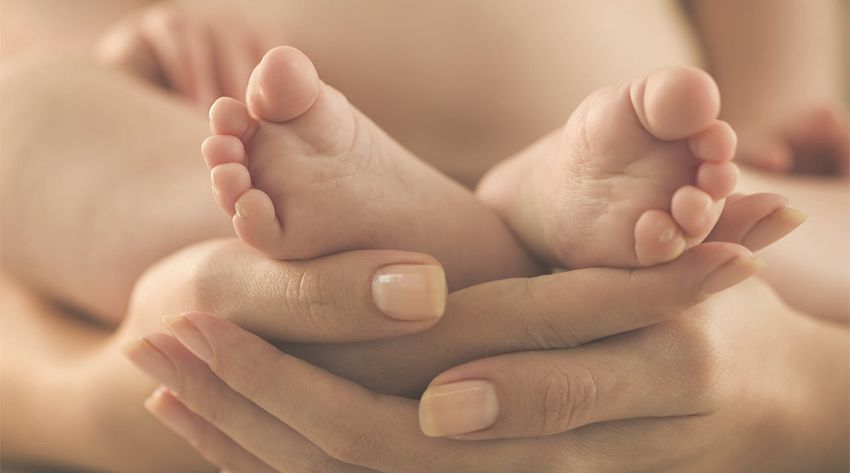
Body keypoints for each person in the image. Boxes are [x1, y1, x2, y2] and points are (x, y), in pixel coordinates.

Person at [1, 1, 847, 471]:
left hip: (617, 143)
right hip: (192, 133)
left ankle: (476, 229)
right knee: (24, 118)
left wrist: (768, 125)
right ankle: (521, 229)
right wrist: (124, 58)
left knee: (773, 215)